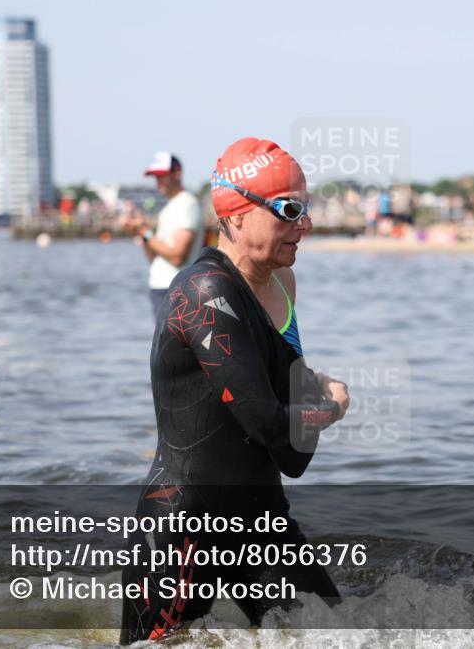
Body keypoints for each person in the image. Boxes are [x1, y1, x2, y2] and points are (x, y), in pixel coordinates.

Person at [120, 138, 350, 644]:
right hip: (182, 535)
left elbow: (291, 447)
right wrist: (330, 408)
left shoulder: (282, 281)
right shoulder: (203, 293)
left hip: (263, 524)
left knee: (340, 637)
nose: (305, 225)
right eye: (289, 210)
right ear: (238, 215)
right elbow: (273, 426)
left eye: (307, 209)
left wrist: (311, 392)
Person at [140, 152, 205, 317]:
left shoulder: (186, 203)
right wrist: (143, 234)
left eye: (162, 176)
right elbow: (153, 260)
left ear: (177, 174)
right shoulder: (171, 207)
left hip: (175, 288)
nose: (158, 181)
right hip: (164, 288)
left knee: (173, 342)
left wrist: (146, 234)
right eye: (156, 176)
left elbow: (177, 256)